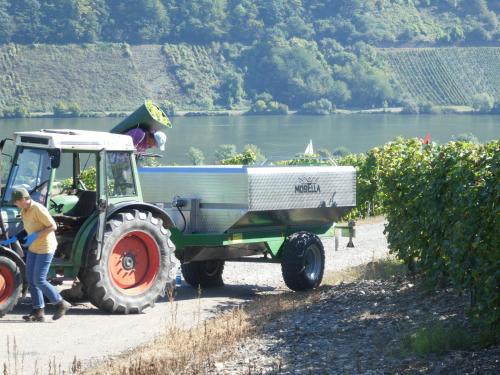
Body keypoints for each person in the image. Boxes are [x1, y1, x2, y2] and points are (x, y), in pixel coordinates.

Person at [2, 188, 71, 322]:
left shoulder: (38, 209)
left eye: (16, 202)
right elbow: (26, 229)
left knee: (39, 279)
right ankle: (38, 311)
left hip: (46, 247)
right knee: (30, 279)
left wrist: (36, 235)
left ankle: (61, 303)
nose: (15, 204)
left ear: (23, 200)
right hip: (34, 247)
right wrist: (12, 238)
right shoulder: (24, 211)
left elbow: (53, 226)